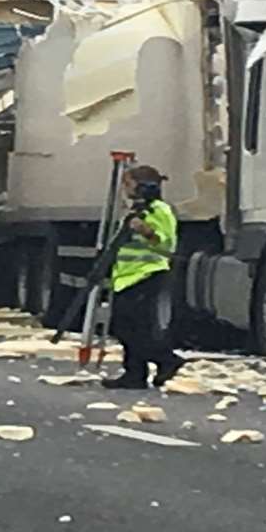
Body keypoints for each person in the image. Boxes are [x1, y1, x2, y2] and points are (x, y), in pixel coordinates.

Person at [103, 164, 185, 390]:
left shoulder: (160, 210)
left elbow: (167, 245)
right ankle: (134, 374)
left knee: (133, 328)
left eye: (128, 184)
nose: (125, 189)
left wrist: (146, 231)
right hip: (127, 277)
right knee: (128, 327)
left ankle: (166, 359)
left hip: (147, 274)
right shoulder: (137, 210)